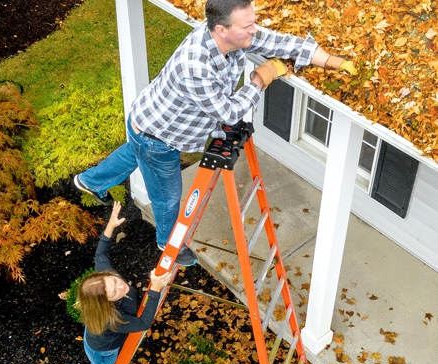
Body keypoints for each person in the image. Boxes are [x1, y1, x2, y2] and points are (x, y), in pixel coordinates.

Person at [73, 0, 357, 267]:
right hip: (159, 137)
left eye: (253, 23)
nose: (254, 30)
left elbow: (277, 41)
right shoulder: (195, 66)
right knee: (167, 198)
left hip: (149, 122)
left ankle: (88, 181)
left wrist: (330, 60)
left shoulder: (235, 34)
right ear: (222, 29)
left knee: (133, 153)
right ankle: (166, 243)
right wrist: (260, 79)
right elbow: (230, 113)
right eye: (247, 26)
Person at [77, 201, 172, 364]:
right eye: (115, 290)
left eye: (113, 280)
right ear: (107, 303)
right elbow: (143, 323)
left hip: (99, 337)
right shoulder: (114, 318)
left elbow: (100, 255)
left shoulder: (104, 280)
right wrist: (155, 289)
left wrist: (110, 225)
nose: (120, 284)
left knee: (111, 360)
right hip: (104, 351)